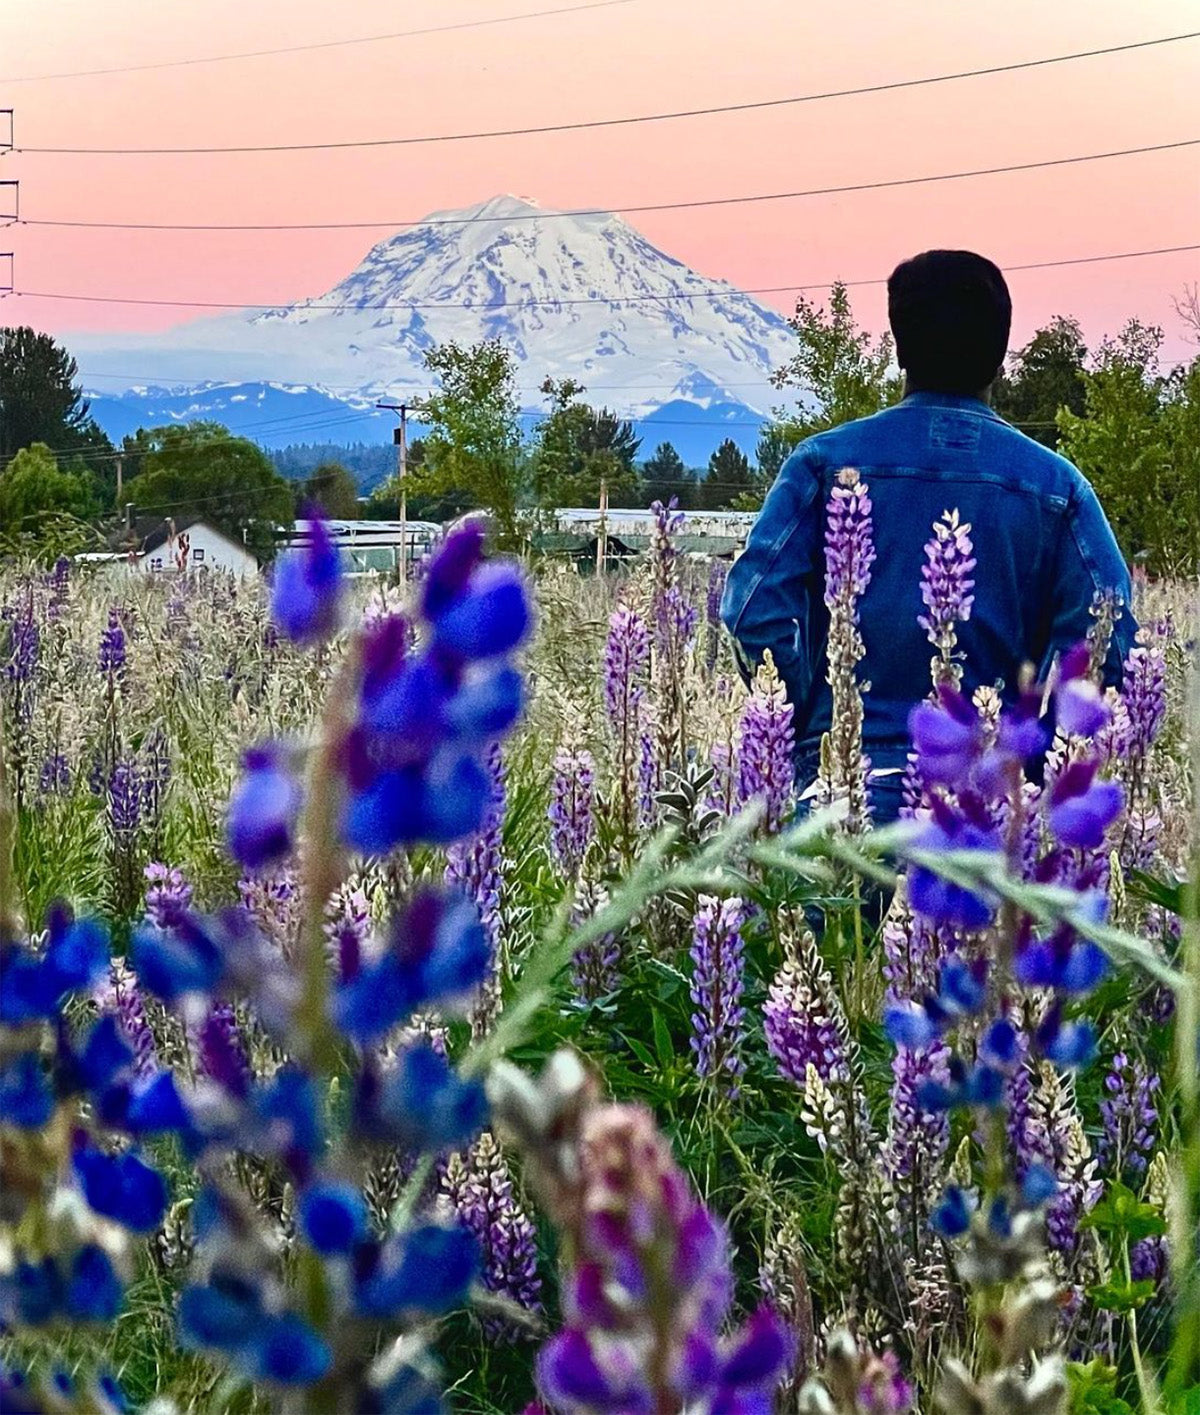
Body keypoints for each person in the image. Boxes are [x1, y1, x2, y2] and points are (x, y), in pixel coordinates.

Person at [721, 249, 1134, 825]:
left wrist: (808, 719)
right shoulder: (1056, 488)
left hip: (839, 787)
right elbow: (1104, 633)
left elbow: (752, 611)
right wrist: (1031, 750)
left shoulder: (822, 463)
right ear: (1000, 354)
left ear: (899, 347)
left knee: (833, 917)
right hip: (988, 802)